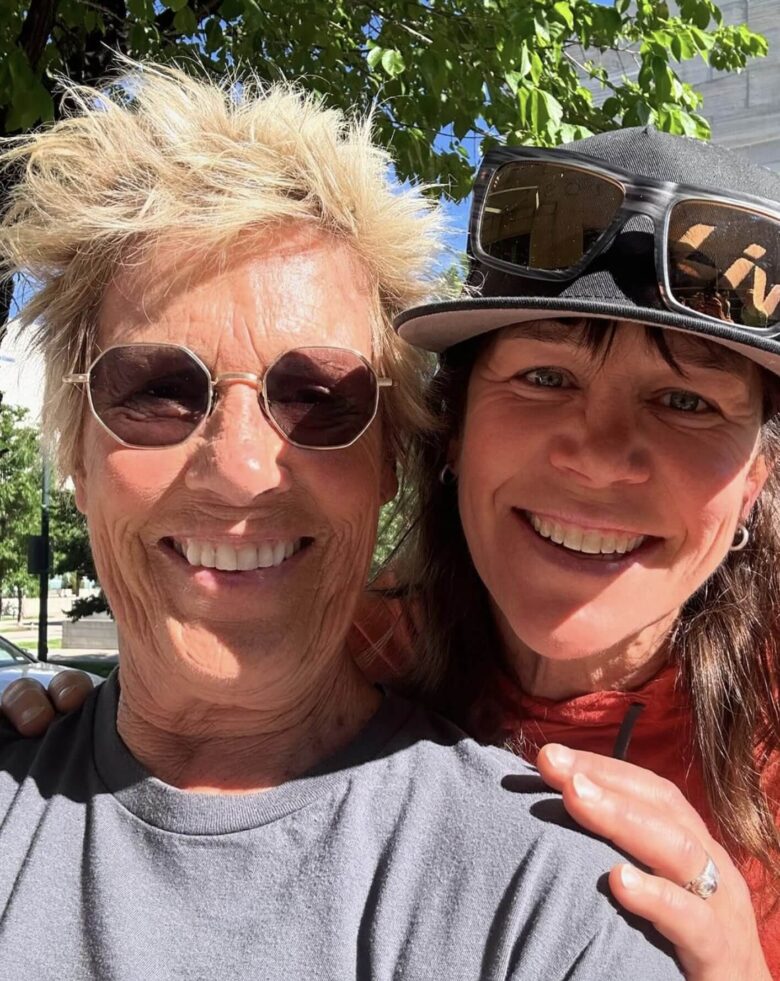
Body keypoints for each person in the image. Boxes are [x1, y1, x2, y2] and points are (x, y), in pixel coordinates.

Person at [0, 63, 683, 980]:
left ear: (391, 458)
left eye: (319, 398)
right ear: (77, 453)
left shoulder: (548, 907)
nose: (242, 470)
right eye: (157, 390)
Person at [376, 127, 780, 980]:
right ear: (454, 430)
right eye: (545, 377)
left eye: (685, 401)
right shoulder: (335, 658)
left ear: (754, 480)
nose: (598, 458)